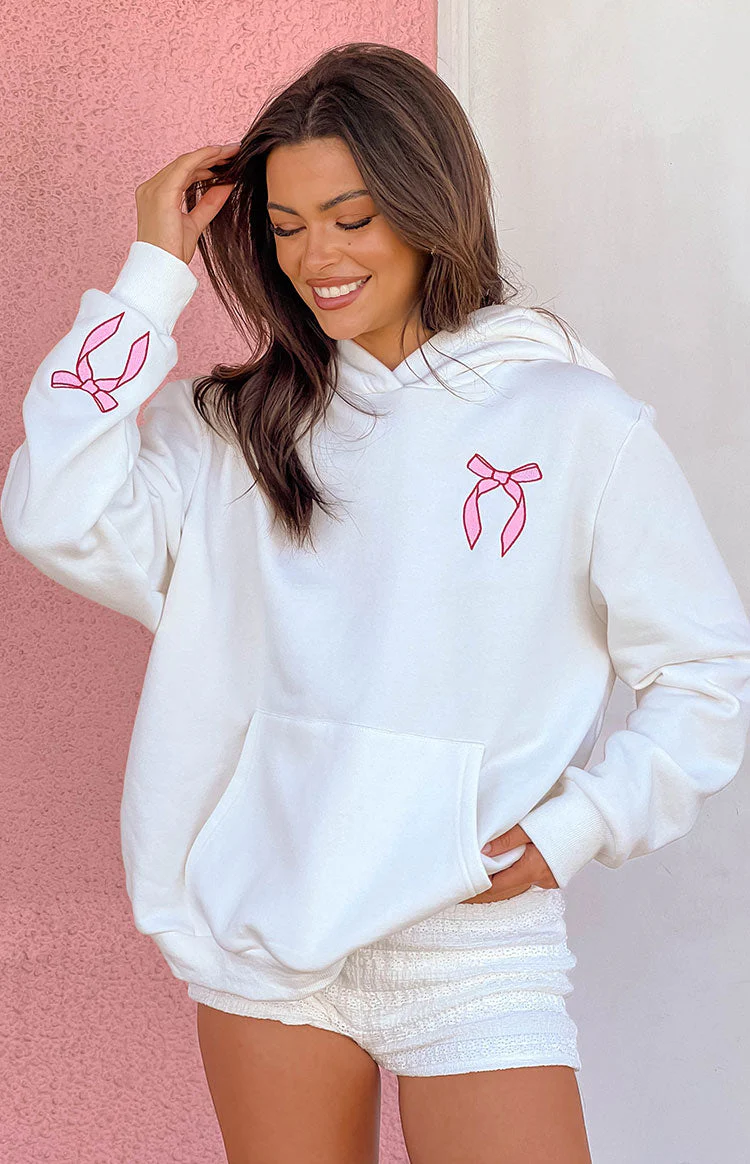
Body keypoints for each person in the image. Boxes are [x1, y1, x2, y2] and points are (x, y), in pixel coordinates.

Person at [3, 40, 750, 1164]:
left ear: (429, 205)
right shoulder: (233, 432)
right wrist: (152, 273)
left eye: (352, 218)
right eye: (286, 226)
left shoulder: (573, 421)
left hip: (470, 942)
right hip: (268, 945)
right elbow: (50, 507)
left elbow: (704, 671)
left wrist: (578, 825)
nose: (319, 259)